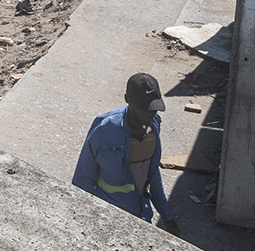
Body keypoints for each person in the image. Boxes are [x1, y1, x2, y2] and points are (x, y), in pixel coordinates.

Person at [72, 72, 181, 235]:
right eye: (144, 109)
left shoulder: (154, 125)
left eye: (153, 108)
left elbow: (151, 173)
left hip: (142, 218)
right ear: (127, 99)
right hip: (109, 220)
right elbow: (83, 179)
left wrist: (167, 217)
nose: (150, 114)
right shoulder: (104, 130)